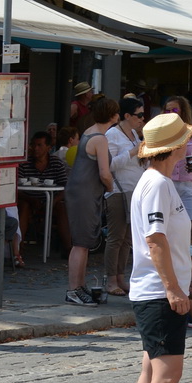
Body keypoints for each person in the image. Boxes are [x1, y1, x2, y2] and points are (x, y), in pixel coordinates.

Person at [128, 113, 192, 383]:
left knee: (152, 370)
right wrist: (173, 290)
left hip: (157, 289)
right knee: (168, 374)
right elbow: (155, 241)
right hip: (158, 293)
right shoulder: (157, 184)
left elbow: (168, 241)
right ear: (177, 146)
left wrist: (188, 278)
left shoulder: (157, 181)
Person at [65, 96, 117, 305]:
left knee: (83, 243)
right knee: (80, 243)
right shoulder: (100, 139)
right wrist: (111, 187)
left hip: (82, 191)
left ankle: (79, 285)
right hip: (85, 193)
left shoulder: (90, 131)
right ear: (113, 116)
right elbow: (104, 173)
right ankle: (73, 290)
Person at [105, 97, 147, 298]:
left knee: (128, 239)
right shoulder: (112, 134)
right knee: (116, 237)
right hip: (118, 192)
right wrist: (132, 152)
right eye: (139, 115)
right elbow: (110, 165)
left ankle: (120, 277)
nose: (142, 118)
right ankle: (111, 279)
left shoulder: (133, 134)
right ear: (127, 116)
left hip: (134, 192)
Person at [160, 97, 192, 224]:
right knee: (170, 222)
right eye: (167, 111)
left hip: (188, 182)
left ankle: (190, 245)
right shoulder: (161, 133)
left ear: (182, 111)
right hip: (169, 181)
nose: (171, 113)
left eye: (175, 109)